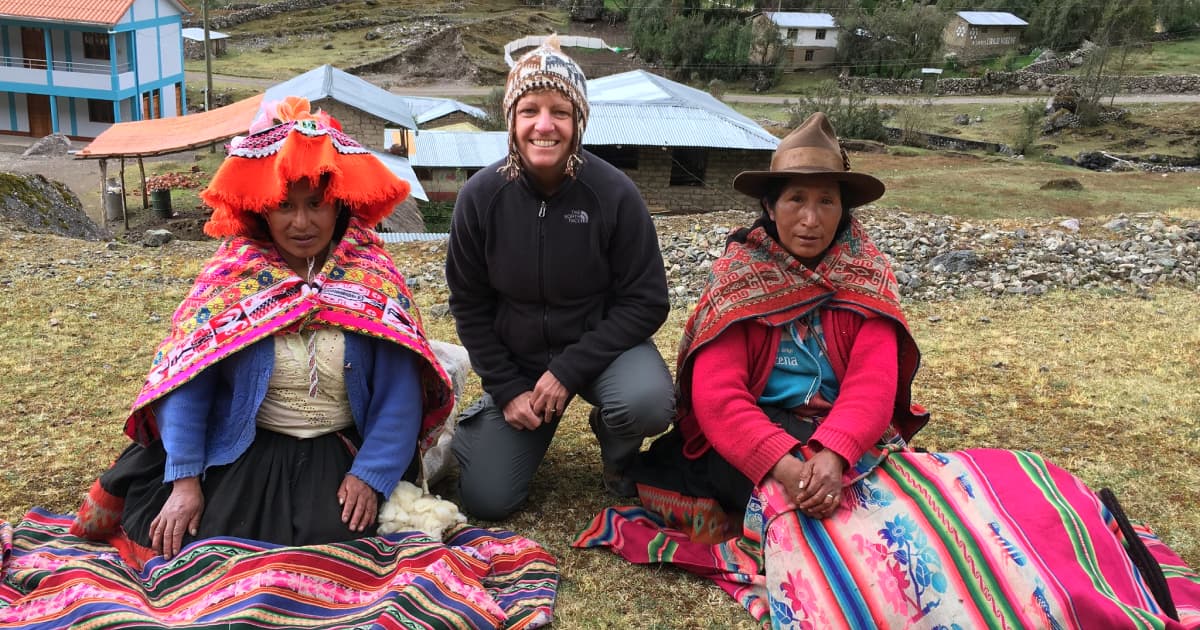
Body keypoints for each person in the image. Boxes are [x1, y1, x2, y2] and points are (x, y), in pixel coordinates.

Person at [574, 113, 1200, 628]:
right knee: (835, 526)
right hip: (755, 446)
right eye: (796, 200)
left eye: (827, 201)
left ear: (845, 209)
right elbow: (717, 401)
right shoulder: (737, 280)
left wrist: (833, 455)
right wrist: (789, 465)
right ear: (770, 206)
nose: (811, 219)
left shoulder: (865, 277)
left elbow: (873, 383)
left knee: (935, 501)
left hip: (846, 441)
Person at [71, 96, 455, 562]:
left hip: (339, 452)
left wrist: (371, 475)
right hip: (245, 447)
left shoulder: (372, 278)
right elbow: (188, 382)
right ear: (261, 208)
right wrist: (186, 478)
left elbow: (400, 393)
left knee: (336, 553)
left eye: (316, 204)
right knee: (210, 545)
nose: (301, 222)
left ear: (339, 206)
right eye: (284, 206)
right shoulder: (231, 279)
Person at [446, 36, 674, 521]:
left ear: (579, 121)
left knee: (647, 402)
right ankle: (484, 425)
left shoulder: (614, 194)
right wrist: (506, 388)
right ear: (511, 120)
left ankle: (618, 455)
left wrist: (569, 370)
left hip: (599, 351)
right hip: (520, 361)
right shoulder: (479, 197)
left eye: (560, 112)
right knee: (488, 499)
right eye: (529, 110)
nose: (544, 126)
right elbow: (468, 303)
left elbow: (648, 300)